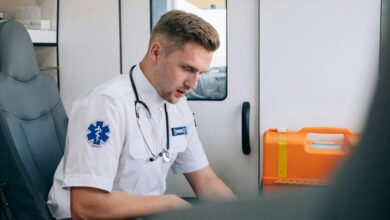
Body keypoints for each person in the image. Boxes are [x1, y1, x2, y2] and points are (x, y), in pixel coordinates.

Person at [47, 10, 235, 220]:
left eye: (200, 73)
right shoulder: (105, 105)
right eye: (187, 69)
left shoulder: (178, 106)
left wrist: (247, 214)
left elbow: (205, 181)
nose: (193, 84)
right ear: (156, 52)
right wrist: (168, 203)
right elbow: (86, 207)